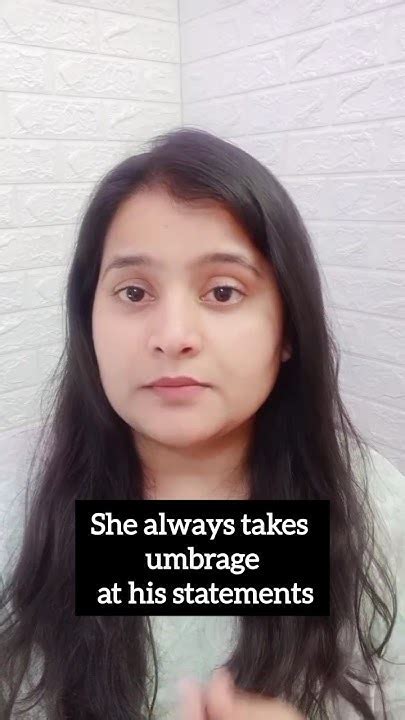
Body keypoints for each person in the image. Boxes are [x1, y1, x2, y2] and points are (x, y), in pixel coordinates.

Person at [0, 127, 403, 719]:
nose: (172, 337)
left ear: (288, 328)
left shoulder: (376, 508)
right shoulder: (15, 499)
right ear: (88, 321)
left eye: (223, 291)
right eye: (133, 292)